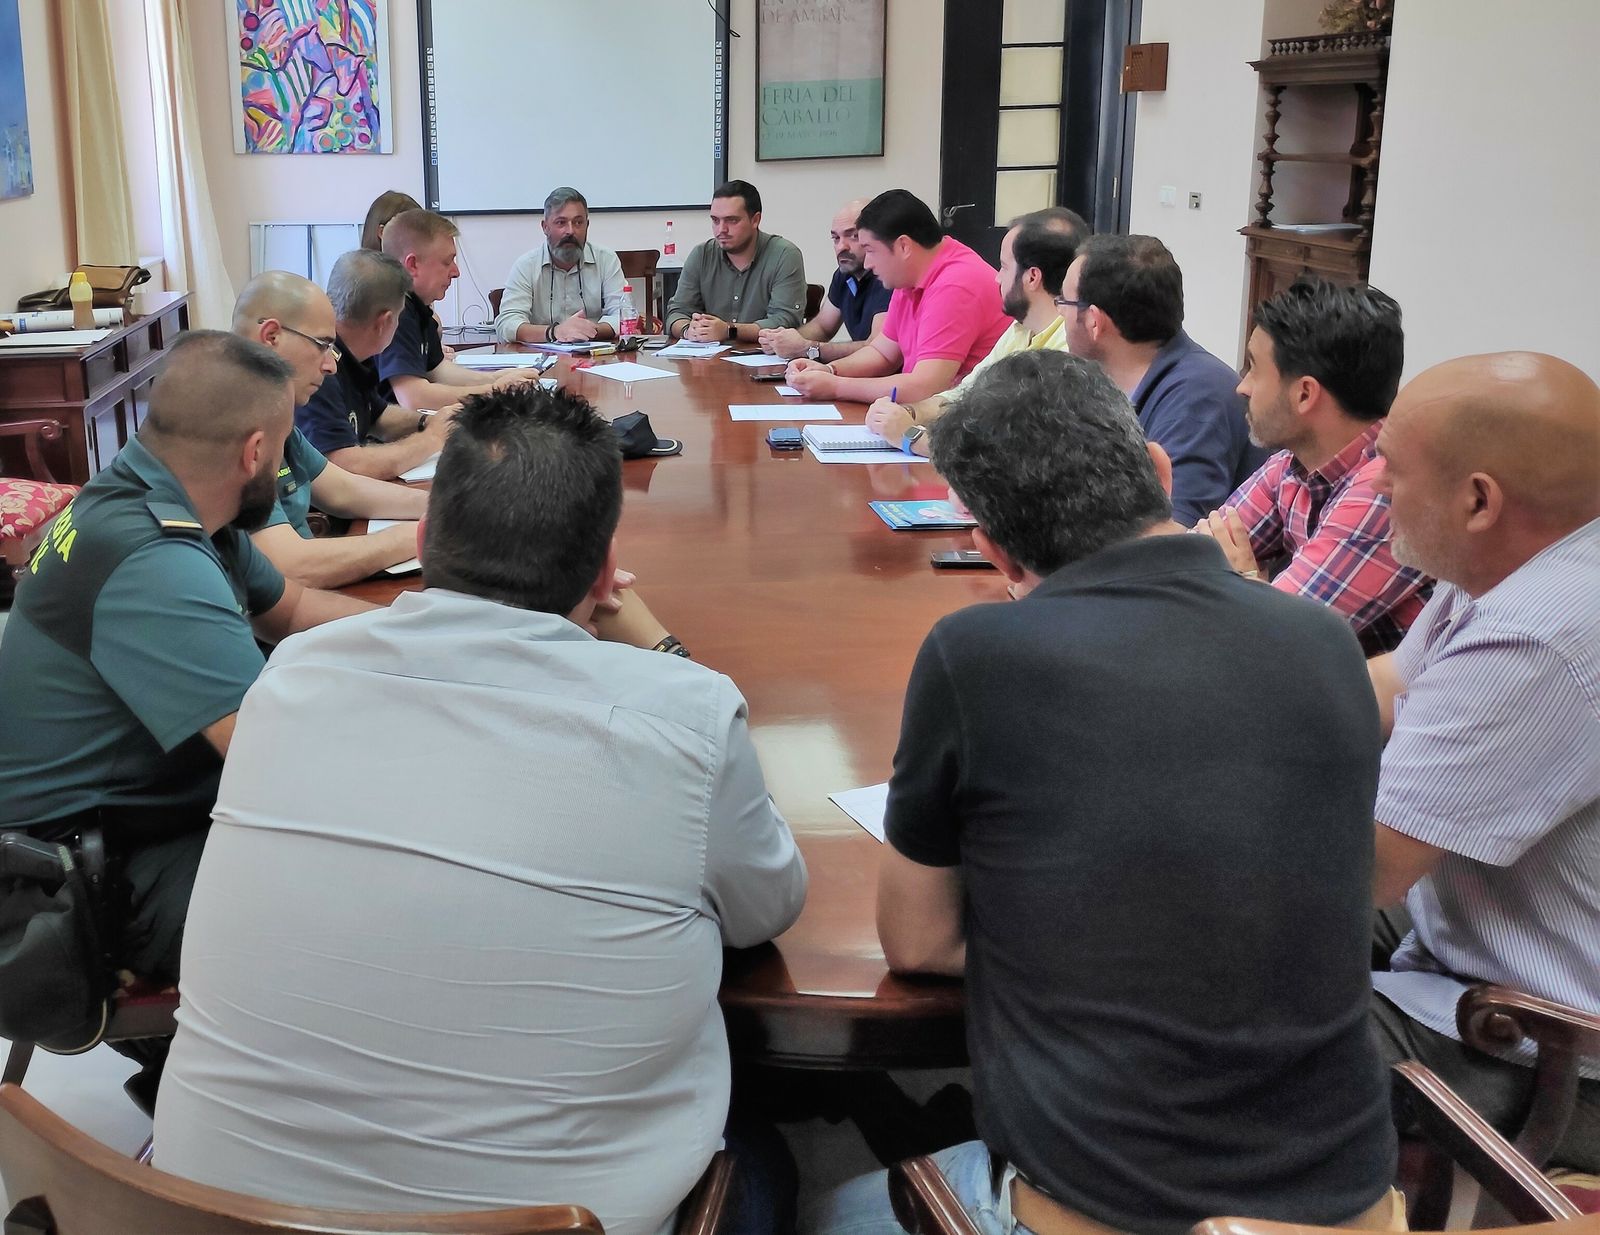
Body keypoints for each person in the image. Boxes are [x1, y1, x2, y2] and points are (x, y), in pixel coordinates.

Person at [155, 383, 809, 1235]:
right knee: (769, 1152)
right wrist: (664, 651)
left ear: (424, 541)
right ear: (606, 572)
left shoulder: (290, 679)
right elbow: (767, 907)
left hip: (212, 1216)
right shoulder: (684, 721)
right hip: (556, 1219)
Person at [810, 351, 1398, 1235]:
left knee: (812, 1201)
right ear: (1160, 472)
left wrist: (1083, 934)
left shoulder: (975, 654)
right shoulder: (1322, 639)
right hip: (1354, 1208)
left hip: (1104, 1212)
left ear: (990, 548)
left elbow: (920, 943)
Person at [0, 332, 373, 989]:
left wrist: (429, 628)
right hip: (68, 886)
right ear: (255, 451)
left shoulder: (160, 492)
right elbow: (278, 756)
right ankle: (219, 1077)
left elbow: (289, 609)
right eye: (284, 448)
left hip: (116, 827)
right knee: (362, 890)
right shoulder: (154, 560)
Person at [1366, 352, 1600, 1170]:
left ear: (1477, 499)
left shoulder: (1541, 632)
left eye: (1390, 468)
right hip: (1479, 929)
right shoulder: (1518, 559)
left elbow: (1365, 868)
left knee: (1196, 1010)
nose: (1371, 487)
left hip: (1551, 1044)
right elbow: (1390, 682)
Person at [1193, 277, 1431, 655]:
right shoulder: (1293, 463)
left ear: (1304, 393)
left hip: (1389, 710)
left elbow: (1277, 640)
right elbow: (1191, 559)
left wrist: (1245, 580)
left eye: (1254, 368)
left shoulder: (1386, 489)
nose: (1242, 386)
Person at [231, 270, 427, 587]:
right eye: (322, 345)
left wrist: (445, 508)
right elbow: (292, 567)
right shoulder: (232, 424)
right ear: (271, 337)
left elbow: (344, 490)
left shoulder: (274, 413)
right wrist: (421, 534)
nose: (331, 365)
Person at [1060, 234, 1263, 525]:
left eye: (1065, 302)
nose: (1061, 315)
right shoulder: (1105, 384)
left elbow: (1173, 533)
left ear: (1093, 320)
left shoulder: (1198, 398)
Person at [862, 208, 1087, 454]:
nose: (997, 279)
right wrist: (909, 412)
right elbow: (964, 396)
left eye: (1003, 267)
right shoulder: (1020, 329)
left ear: (1032, 277)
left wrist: (910, 437)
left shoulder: (1069, 348)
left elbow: (1010, 452)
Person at [784, 189, 1010, 404]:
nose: (869, 263)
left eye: (871, 250)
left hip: (972, 420)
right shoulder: (910, 274)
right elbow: (883, 353)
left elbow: (925, 387)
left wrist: (835, 386)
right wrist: (829, 370)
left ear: (903, 246)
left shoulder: (955, 284)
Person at [294, 248, 459, 481]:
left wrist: (427, 422)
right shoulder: (322, 369)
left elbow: (377, 416)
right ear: (385, 322)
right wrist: (431, 438)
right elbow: (344, 464)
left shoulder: (354, 355)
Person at [377, 209, 542, 411]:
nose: (456, 272)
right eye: (447, 262)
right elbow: (414, 397)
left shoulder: (416, 307)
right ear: (413, 265)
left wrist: (497, 377)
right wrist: (494, 389)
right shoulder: (394, 311)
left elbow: (438, 370)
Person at [664, 180, 807, 343]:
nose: (721, 230)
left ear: (755, 220)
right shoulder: (701, 255)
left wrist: (729, 331)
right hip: (707, 362)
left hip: (764, 360)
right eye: (715, 220)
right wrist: (688, 330)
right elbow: (677, 312)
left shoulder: (784, 255)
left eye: (731, 220)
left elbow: (785, 321)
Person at [756, 198, 891, 362]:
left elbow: (876, 349)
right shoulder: (844, 274)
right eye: (836, 238)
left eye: (853, 236)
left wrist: (808, 349)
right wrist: (780, 339)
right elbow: (822, 327)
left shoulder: (888, 278)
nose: (841, 246)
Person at [495, 186, 628, 345]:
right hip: (541, 358)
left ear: (587, 225)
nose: (570, 231)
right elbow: (507, 324)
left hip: (596, 356)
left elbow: (623, 314)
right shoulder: (526, 266)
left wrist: (585, 330)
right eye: (561, 223)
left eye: (578, 222)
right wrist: (555, 332)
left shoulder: (606, 259)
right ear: (545, 227)